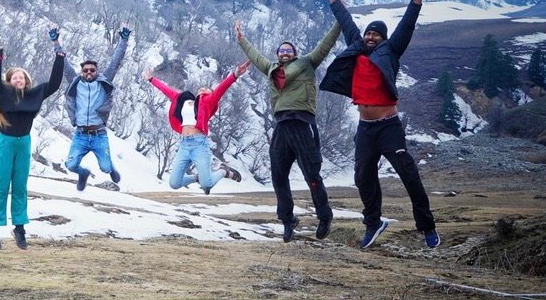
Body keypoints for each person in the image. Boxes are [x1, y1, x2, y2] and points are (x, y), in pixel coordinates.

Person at [318, 0, 440, 250]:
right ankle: (373, 223)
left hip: (388, 127)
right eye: (368, 33)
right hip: (365, 128)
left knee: (408, 174)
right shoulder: (357, 47)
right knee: (362, 177)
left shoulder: (391, 50)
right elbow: (346, 21)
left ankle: (427, 227)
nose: (370, 36)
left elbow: (407, 26)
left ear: (383, 38)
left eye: (375, 34)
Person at [236, 20, 342, 242]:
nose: (285, 53)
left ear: (295, 53)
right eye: (281, 50)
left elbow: (326, 44)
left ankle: (324, 216)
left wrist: (339, 21)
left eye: (289, 50)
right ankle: (287, 220)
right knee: (278, 176)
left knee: (312, 175)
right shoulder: (271, 69)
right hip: (281, 126)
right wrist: (241, 39)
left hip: (302, 123)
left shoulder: (307, 62)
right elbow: (256, 57)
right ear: (277, 55)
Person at [0, 45, 65, 250]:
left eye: (21, 77)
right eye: (15, 77)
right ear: (9, 81)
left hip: (24, 143)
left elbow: (55, 83)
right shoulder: (3, 92)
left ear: (26, 80)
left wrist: (59, 57)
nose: (18, 80)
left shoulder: (34, 94)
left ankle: (19, 229)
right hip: (5, 143)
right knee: (1, 186)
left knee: (20, 186)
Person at [145, 63, 248, 194]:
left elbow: (221, 89)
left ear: (210, 94)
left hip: (199, 145)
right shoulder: (182, 100)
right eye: (202, 87)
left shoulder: (207, 102)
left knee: (207, 184)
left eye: (207, 89)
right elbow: (165, 89)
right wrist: (151, 79)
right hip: (184, 145)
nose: (203, 88)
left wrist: (235, 75)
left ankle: (224, 171)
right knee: (174, 183)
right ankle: (197, 178)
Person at [52, 22, 131, 191]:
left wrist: (124, 39)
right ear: (81, 72)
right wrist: (55, 41)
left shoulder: (104, 81)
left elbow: (115, 62)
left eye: (92, 70)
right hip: (80, 134)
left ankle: (111, 169)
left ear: (96, 71)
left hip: (99, 135)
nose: (89, 72)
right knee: (70, 165)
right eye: (86, 70)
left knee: (105, 168)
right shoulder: (75, 82)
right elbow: (63, 62)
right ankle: (83, 174)